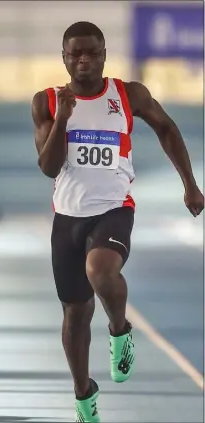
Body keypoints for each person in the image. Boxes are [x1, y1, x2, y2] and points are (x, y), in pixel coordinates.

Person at [31, 21, 203, 422]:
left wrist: (190, 185)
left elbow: (166, 127)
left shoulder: (128, 95)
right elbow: (48, 167)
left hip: (113, 208)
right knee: (75, 315)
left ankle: (120, 329)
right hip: (67, 218)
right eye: (76, 54)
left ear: (105, 55)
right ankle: (83, 394)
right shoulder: (48, 102)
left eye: (92, 52)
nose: (84, 60)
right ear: (65, 58)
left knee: (101, 270)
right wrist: (63, 121)